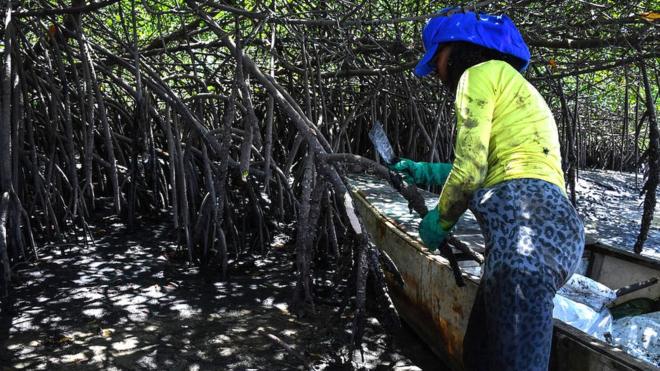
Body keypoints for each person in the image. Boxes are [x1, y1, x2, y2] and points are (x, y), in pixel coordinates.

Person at [389, 8, 585, 371]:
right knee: (478, 353)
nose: (436, 72)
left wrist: (440, 221)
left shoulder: (476, 76)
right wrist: (423, 171)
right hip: (550, 231)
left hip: (526, 241)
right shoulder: (516, 87)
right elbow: (495, 170)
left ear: (457, 50)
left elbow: (471, 171)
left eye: (438, 59)